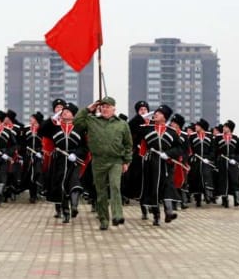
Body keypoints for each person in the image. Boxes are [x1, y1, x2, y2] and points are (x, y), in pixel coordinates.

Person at [74, 96, 132, 230]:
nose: (105, 109)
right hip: (98, 161)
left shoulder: (122, 124)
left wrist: (127, 161)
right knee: (101, 192)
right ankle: (104, 219)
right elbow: (77, 122)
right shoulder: (92, 121)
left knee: (115, 186)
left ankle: (117, 215)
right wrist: (89, 109)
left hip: (115, 160)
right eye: (103, 106)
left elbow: (128, 145)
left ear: (114, 108)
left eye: (108, 106)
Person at [39, 102, 88, 223]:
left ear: (73, 115)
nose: (64, 113)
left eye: (67, 111)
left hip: (74, 160)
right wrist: (52, 119)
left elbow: (85, 147)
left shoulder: (79, 128)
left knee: (74, 181)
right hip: (59, 159)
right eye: (63, 111)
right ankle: (65, 210)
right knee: (61, 184)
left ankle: (75, 205)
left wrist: (76, 154)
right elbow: (41, 131)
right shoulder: (54, 127)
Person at [135, 104, 182, 226]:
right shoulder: (146, 128)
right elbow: (131, 128)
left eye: (159, 113)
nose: (155, 114)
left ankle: (169, 212)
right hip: (151, 162)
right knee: (153, 187)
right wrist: (142, 116)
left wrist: (168, 154)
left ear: (165, 117)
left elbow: (179, 148)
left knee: (167, 186)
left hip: (166, 163)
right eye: (155, 113)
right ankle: (156, 215)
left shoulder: (172, 132)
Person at [214, 120, 239, 207]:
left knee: (234, 180)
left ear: (230, 128)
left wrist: (236, 159)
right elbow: (215, 151)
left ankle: (236, 199)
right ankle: (225, 200)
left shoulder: (236, 138)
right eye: (224, 126)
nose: (224, 128)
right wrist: (216, 162)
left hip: (232, 163)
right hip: (222, 162)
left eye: (226, 127)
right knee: (223, 181)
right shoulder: (218, 138)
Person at [187, 118, 215, 207]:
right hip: (196, 161)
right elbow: (189, 149)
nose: (196, 127)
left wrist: (209, 158)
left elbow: (213, 150)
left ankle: (207, 195)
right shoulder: (192, 136)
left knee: (206, 177)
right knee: (196, 179)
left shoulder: (210, 137)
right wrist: (191, 157)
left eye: (197, 125)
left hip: (206, 161)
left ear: (202, 127)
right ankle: (197, 199)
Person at [20, 111, 45, 203]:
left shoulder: (42, 129)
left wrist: (41, 152)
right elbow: (22, 143)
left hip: (39, 155)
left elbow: (45, 143)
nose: (30, 119)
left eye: (32, 118)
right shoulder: (26, 129)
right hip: (28, 155)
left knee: (37, 173)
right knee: (30, 174)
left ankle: (39, 191)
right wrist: (21, 155)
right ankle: (32, 195)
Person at [169, 113, 190, 210]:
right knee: (172, 182)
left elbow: (187, 150)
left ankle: (183, 201)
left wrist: (184, 159)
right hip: (172, 161)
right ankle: (173, 203)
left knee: (183, 181)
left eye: (173, 122)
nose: (171, 124)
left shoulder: (184, 135)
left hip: (182, 163)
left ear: (178, 124)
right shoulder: (169, 133)